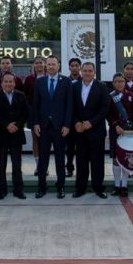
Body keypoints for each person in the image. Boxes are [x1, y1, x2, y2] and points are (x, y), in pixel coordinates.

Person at [31, 55, 72, 199]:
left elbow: (69, 105)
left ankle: (60, 187)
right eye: (49, 64)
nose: (51, 66)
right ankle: (41, 187)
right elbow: (35, 104)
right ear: (45, 66)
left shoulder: (66, 81)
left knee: (60, 159)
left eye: (54, 64)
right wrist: (35, 123)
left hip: (60, 127)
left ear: (58, 66)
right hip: (43, 127)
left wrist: (67, 124)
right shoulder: (39, 82)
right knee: (43, 159)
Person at [71, 62, 108, 199]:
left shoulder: (102, 87)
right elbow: (71, 107)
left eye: (90, 71)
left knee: (97, 161)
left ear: (94, 72)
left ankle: (98, 188)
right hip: (80, 131)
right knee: (81, 161)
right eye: (85, 70)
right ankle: (80, 188)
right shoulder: (74, 86)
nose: (87, 73)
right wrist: (76, 122)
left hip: (96, 130)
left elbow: (105, 108)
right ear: (81, 72)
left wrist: (91, 122)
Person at [0, 72, 27, 200]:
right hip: (1, 134)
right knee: (1, 165)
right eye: (5, 81)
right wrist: (6, 125)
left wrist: (17, 125)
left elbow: (25, 113)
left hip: (16, 134)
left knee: (17, 164)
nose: (8, 84)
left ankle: (18, 190)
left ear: (15, 83)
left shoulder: (21, 95)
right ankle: (1, 190)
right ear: (1, 83)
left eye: (11, 81)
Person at [107, 73, 133, 197]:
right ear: (113, 83)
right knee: (116, 159)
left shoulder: (132, 96)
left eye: (121, 81)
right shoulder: (110, 97)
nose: (119, 83)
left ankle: (124, 185)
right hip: (116, 130)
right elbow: (108, 115)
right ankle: (117, 185)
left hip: (129, 131)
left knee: (127, 157)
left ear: (125, 82)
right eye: (116, 81)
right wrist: (115, 125)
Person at [23, 56, 47, 160]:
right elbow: (25, 96)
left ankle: (44, 163)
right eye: (36, 63)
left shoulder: (49, 77)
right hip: (33, 114)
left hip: (47, 113)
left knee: (46, 140)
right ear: (34, 65)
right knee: (36, 139)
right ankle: (38, 164)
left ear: (44, 64)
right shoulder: (29, 79)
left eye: (40, 62)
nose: (39, 65)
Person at [65, 57, 82, 176]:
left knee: (81, 147)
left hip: (81, 119)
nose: (74, 68)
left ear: (80, 67)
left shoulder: (84, 80)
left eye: (77, 65)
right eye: (72, 66)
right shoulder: (65, 81)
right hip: (69, 119)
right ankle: (69, 167)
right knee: (69, 146)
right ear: (69, 67)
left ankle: (81, 169)